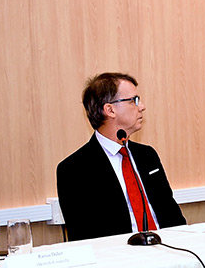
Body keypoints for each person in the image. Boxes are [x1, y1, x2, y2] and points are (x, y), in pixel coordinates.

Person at [57, 73, 186, 241]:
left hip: (167, 248)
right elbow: (85, 236)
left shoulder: (147, 156)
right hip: (118, 259)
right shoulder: (74, 169)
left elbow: (172, 215)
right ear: (110, 110)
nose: (142, 107)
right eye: (134, 101)